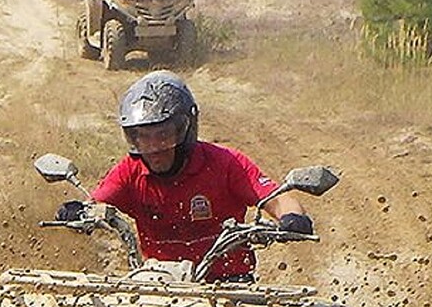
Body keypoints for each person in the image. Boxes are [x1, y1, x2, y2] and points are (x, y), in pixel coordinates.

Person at [58, 71, 313, 283]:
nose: (153, 147)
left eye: (163, 134)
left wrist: (292, 217)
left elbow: (278, 199)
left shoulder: (226, 163)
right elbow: (99, 205)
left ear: (185, 129)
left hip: (229, 286)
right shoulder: (129, 170)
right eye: (143, 137)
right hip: (157, 286)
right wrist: (80, 212)